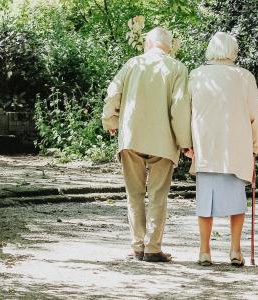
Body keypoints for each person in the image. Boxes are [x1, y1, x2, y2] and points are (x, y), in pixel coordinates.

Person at [101, 27, 192, 263]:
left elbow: (113, 94)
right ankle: (152, 248)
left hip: (132, 138)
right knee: (158, 196)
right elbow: (180, 108)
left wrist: (110, 120)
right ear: (169, 46)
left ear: (148, 43)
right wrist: (185, 143)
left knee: (134, 195)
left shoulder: (132, 64)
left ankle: (138, 246)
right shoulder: (178, 68)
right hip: (163, 141)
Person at [187, 32, 258, 267]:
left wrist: (187, 144)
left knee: (205, 202)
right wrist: (256, 144)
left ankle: (204, 251)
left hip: (206, 147)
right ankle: (235, 250)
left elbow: (186, 112)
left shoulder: (196, 75)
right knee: (236, 201)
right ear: (234, 51)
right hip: (236, 148)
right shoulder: (244, 77)